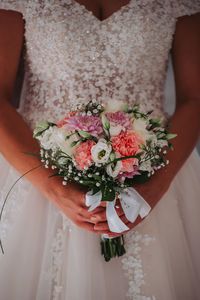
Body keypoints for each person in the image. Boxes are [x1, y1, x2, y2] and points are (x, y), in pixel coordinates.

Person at [0, 0, 200, 299]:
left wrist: (154, 188)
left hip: (152, 171)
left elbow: (194, 97)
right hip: (38, 174)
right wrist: (54, 188)